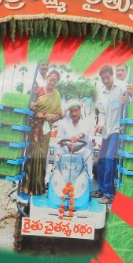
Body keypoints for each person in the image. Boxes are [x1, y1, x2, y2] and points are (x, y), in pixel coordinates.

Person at [22, 69, 63, 197]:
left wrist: (52, 116)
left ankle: (38, 188)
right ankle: (27, 187)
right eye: (51, 79)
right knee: (31, 156)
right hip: (34, 128)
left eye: (55, 81)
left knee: (42, 157)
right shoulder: (37, 90)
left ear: (57, 83)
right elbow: (27, 104)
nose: (52, 83)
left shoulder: (57, 95)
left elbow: (60, 114)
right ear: (46, 79)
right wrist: (32, 106)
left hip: (46, 129)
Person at [94, 65, 130, 204]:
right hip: (106, 131)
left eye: (108, 77)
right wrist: (100, 125)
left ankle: (109, 194)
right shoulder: (101, 92)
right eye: (103, 78)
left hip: (116, 130)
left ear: (112, 75)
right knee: (102, 160)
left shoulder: (121, 86)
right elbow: (102, 113)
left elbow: (132, 101)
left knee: (109, 160)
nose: (106, 80)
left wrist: (129, 98)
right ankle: (102, 190)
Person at [55, 100, 93, 174]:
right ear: (69, 112)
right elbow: (59, 137)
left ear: (80, 110)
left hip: (82, 151)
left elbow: (85, 132)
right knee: (58, 150)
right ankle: (57, 175)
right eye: (71, 111)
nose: (74, 113)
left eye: (76, 111)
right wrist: (62, 143)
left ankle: (89, 177)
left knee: (88, 153)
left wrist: (79, 136)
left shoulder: (86, 121)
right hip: (66, 150)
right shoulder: (64, 122)